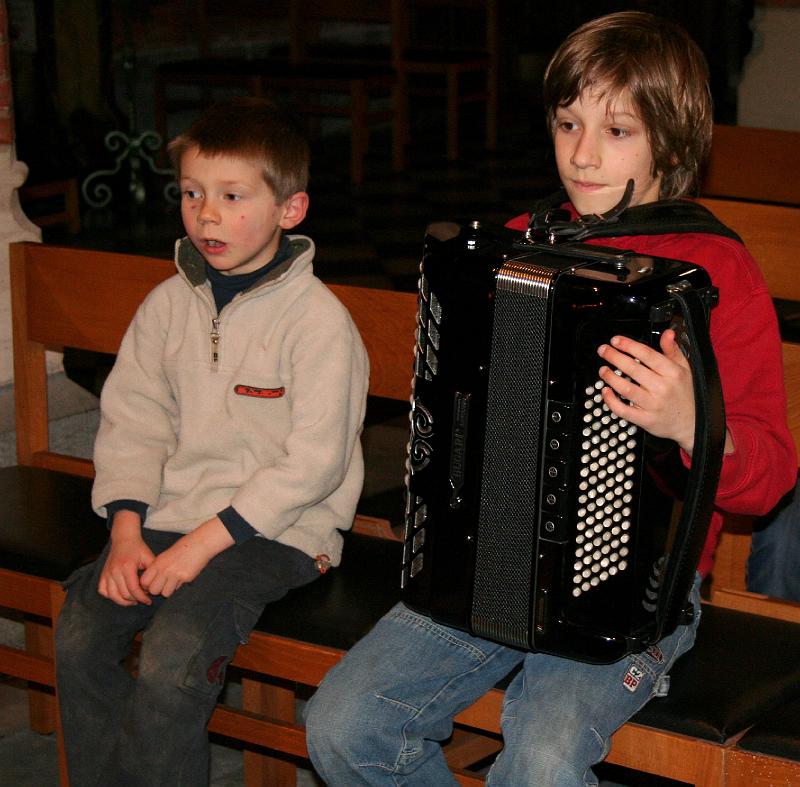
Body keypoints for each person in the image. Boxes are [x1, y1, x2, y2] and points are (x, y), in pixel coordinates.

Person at [304, 12, 796, 786]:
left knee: (539, 759)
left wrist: (692, 422)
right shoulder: (513, 242)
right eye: (569, 123)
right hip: (483, 567)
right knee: (343, 722)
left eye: (618, 130)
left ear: (672, 140)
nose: (583, 153)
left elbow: (768, 476)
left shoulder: (713, 273)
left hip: (634, 596)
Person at [55, 96, 369, 787]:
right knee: (79, 634)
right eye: (193, 194)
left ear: (291, 210)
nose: (207, 215)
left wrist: (204, 541)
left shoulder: (316, 322)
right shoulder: (168, 305)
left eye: (232, 196)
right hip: (165, 519)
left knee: (172, 656)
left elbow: (314, 462)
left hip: (278, 532)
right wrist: (128, 529)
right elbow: (134, 418)